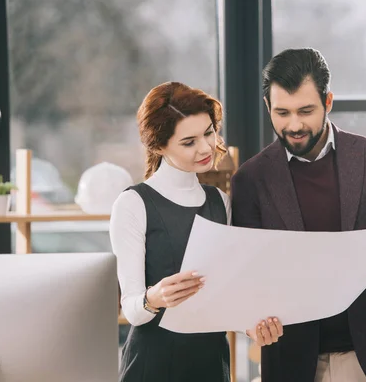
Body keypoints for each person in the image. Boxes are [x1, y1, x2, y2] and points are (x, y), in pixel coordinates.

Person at [232, 48, 366, 382]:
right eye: (282, 112)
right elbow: (244, 274)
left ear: (328, 102)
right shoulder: (250, 179)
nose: (294, 125)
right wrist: (250, 320)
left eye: (306, 110)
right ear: (267, 106)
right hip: (291, 360)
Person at [110, 81, 277, 382]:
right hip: (153, 366)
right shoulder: (134, 204)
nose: (205, 148)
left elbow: (223, 296)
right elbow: (132, 310)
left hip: (211, 364)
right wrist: (156, 297)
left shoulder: (220, 202)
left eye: (209, 132)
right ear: (159, 146)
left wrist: (251, 326)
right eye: (188, 142)